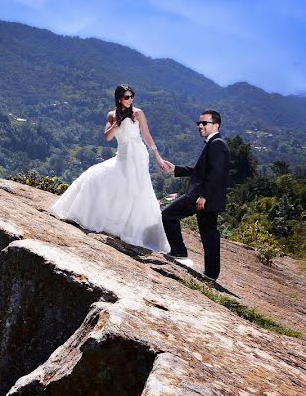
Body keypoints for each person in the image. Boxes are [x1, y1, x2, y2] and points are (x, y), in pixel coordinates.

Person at [51, 84, 172, 252]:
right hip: (122, 155)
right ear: (119, 99)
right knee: (95, 175)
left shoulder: (138, 113)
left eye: (132, 97)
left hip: (138, 154)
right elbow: (107, 137)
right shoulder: (111, 115)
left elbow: (147, 135)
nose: (130, 100)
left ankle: (131, 230)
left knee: (136, 189)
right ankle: (104, 220)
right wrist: (116, 123)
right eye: (127, 97)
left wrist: (158, 157)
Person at [161, 110, 230, 280]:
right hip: (204, 197)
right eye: (198, 123)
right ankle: (211, 275)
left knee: (168, 215)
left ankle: (179, 252)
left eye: (204, 123)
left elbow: (216, 173)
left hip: (201, 197)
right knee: (209, 234)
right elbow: (200, 171)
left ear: (216, 125)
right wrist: (176, 169)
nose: (200, 126)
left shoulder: (217, 144)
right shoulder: (213, 144)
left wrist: (204, 196)